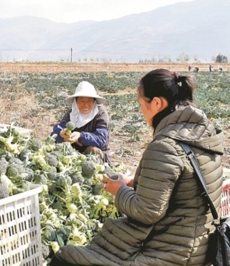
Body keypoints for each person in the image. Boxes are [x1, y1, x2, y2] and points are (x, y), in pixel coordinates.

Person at [50, 69, 224, 266]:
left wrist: (119, 190)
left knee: (67, 256)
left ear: (157, 103)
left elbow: (147, 212)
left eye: (142, 104)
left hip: (167, 253)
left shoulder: (165, 146)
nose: (141, 111)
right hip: (196, 247)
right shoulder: (204, 133)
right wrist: (136, 182)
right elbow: (183, 188)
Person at [52, 81, 111, 163]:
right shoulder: (72, 113)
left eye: (89, 101)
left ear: (94, 102)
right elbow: (58, 128)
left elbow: (101, 139)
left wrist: (80, 136)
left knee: (93, 150)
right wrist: (61, 133)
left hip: (97, 155)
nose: (85, 105)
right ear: (76, 102)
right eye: (82, 101)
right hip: (74, 153)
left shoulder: (100, 114)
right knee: (55, 146)